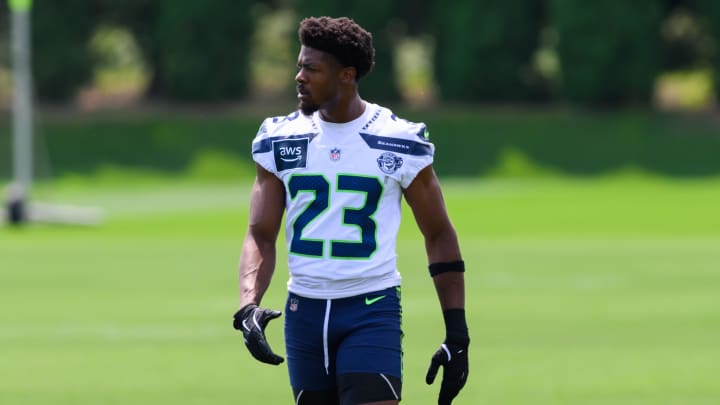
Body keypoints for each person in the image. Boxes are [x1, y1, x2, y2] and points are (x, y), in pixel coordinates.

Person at [233, 16, 469, 405]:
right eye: (299, 66)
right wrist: (248, 305)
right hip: (303, 311)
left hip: (370, 308)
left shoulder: (397, 139)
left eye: (311, 68)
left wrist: (457, 335)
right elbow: (261, 232)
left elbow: (438, 233)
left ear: (346, 74)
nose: (299, 77)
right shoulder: (279, 138)